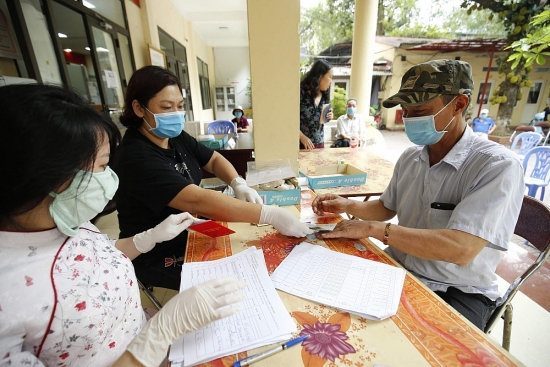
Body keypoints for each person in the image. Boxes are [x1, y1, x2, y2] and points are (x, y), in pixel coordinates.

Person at [0, 84, 246, 367]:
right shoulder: (7, 298)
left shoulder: (65, 218)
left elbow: (88, 261)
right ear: (41, 175)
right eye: (103, 165)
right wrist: (158, 336)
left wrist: (146, 239)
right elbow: (199, 201)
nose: (109, 176)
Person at [311, 60, 525, 330]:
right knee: (332, 313)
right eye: (406, 111)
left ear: (459, 104)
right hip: (400, 267)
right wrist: (346, 204)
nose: (410, 119)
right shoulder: (412, 157)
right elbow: (387, 207)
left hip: (458, 289)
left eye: (420, 111)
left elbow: (461, 249)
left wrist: (373, 229)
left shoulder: (496, 166)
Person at [115, 66, 312, 291]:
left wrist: (237, 182)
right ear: (139, 108)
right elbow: (196, 200)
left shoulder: (175, 136)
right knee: (243, 283)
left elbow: (213, 160)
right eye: (166, 108)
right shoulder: (137, 156)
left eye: (180, 106)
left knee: (257, 256)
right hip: (158, 252)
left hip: (190, 231)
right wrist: (269, 214)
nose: (176, 114)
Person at [299, 59, 334, 150]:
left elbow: (322, 120)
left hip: (320, 144)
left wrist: (329, 116)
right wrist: (301, 137)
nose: (331, 81)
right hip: (301, 144)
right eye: (330, 77)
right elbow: (289, 119)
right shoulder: (301, 92)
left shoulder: (325, 95)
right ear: (320, 76)